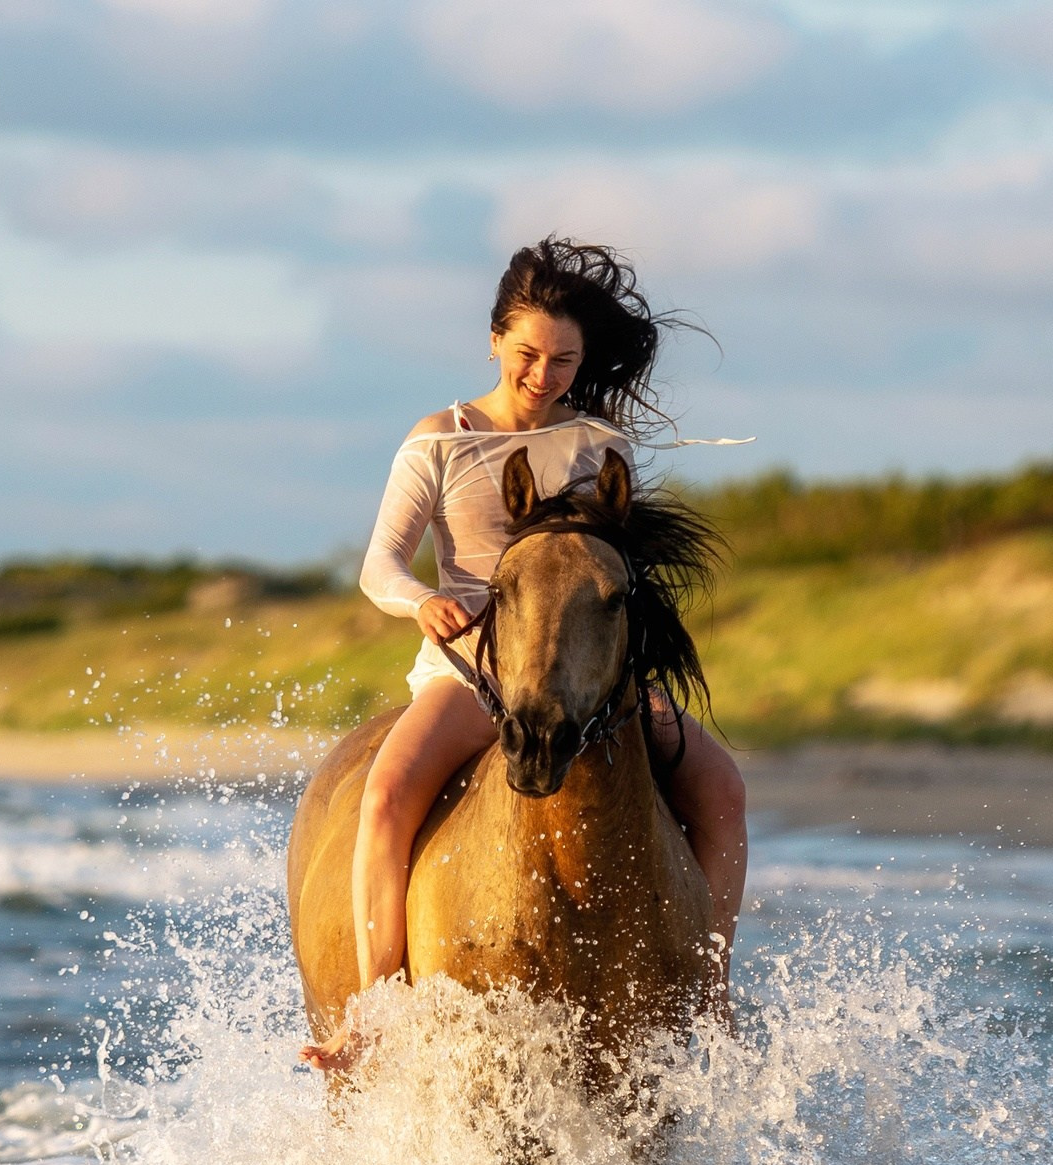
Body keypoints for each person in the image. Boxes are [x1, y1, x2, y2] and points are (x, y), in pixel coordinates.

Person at [300, 237, 748, 1072]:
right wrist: (424, 601)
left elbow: (607, 565)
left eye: (565, 361)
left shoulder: (597, 444)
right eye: (528, 354)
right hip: (472, 668)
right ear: (495, 341)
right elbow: (379, 567)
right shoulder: (440, 442)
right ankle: (373, 1012)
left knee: (720, 781)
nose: (544, 375)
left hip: (581, 670)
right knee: (389, 790)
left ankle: (710, 993)